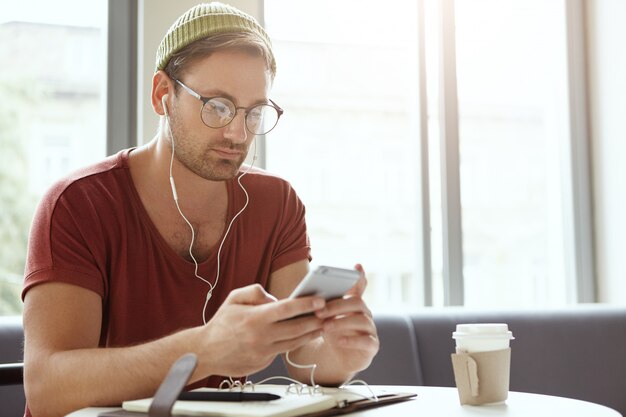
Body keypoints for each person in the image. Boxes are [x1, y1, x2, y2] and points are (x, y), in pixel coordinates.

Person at [21, 3, 379, 417]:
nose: (237, 132)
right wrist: (204, 349)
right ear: (162, 95)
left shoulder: (276, 203)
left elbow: (303, 355)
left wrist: (341, 353)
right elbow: (47, 388)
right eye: (218, 106)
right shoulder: (78, 204)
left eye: (254, 112)